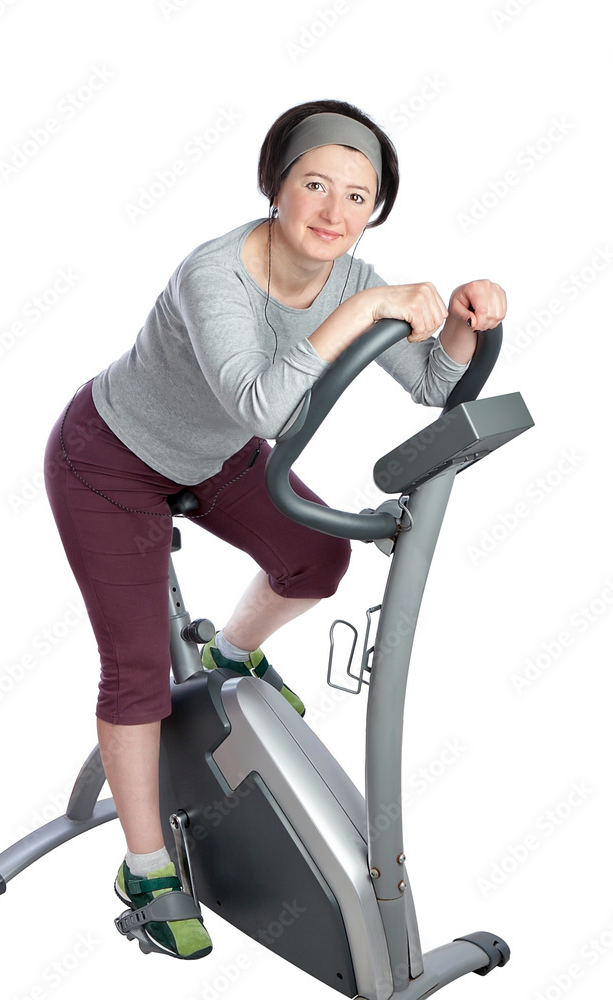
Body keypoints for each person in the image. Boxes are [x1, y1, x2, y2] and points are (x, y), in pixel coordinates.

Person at [44, 98, 506, 960]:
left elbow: (436, 390)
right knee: (139, 674)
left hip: (212, 457)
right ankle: (145, 868)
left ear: (376, 208)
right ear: (275, 185)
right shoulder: (211, 273)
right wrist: (362, 314)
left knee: (318, 557)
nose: (335, 214)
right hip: (106, 460)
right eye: (315, 185)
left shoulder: (354, 278)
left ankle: (227, 657)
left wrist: (461, 324)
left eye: (358, 198)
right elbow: (258, 401)